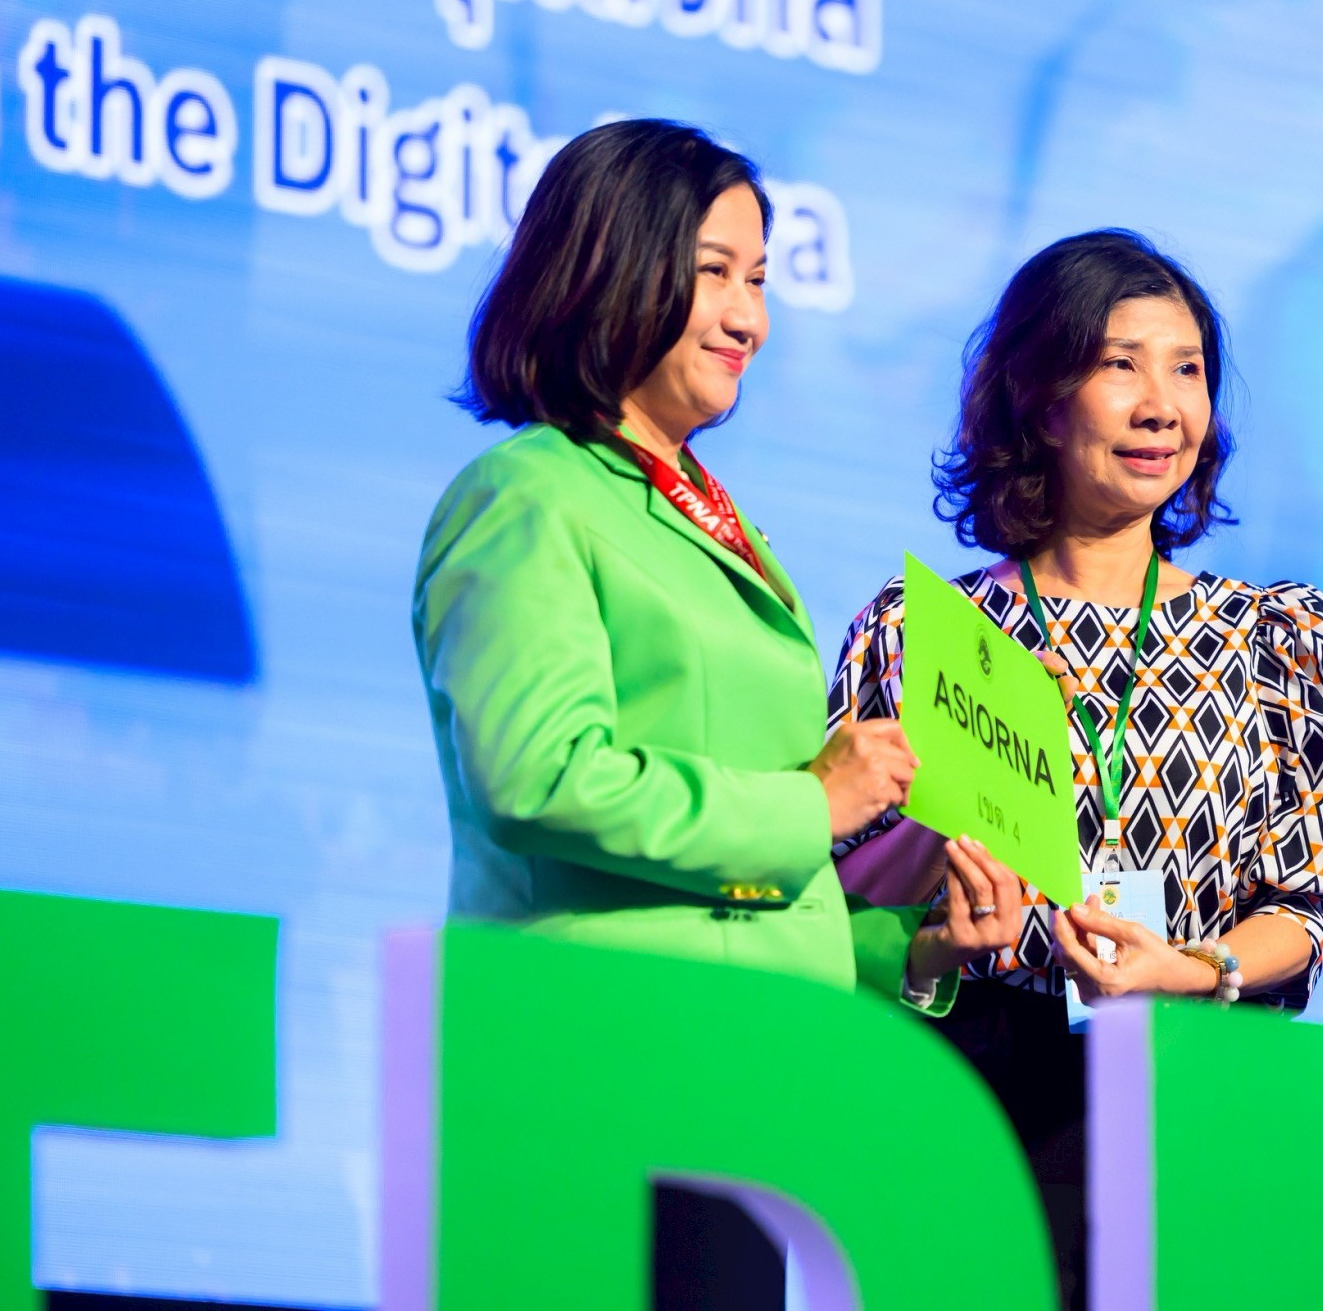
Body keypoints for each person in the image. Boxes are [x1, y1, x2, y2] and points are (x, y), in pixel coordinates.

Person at [413, 118, 1026, 1306]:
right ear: (610, 265)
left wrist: (912, 950)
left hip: (736, 1081)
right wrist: (814, 801)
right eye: (715, 274)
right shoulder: (526, 497)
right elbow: (540, 776)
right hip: (597, 1068)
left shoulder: (708, 512)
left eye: (761, 280)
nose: (750, 316)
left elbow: (740, 892)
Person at [827, 228, 1323, 1308]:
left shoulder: (1268, 638)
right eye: (1120, 365)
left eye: (1186, 369)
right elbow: (839, 880)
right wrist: (946, 817)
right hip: (972, 1087)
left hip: (1197, 1077)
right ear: (1042, 400)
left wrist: (1195, 969)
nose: (1161, 406)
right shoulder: (923, 632)